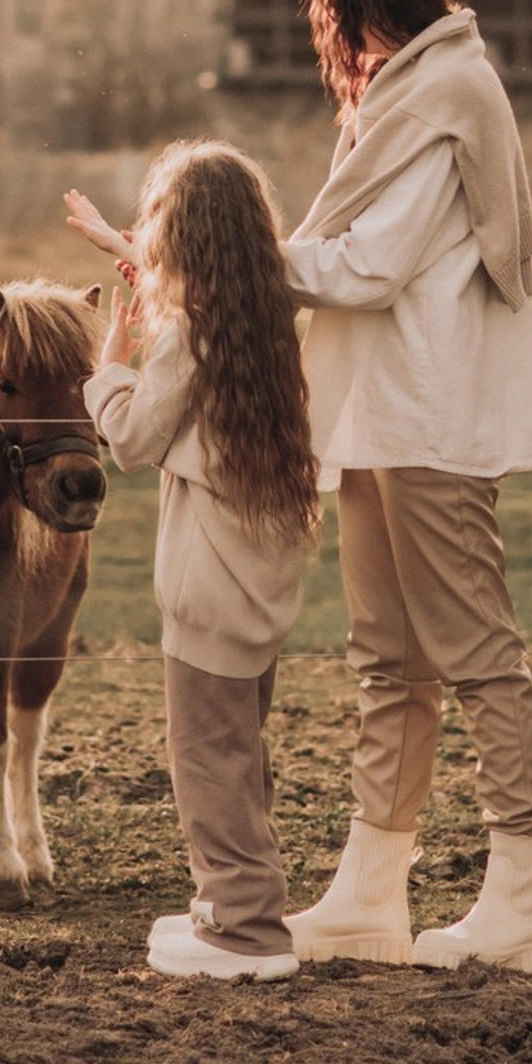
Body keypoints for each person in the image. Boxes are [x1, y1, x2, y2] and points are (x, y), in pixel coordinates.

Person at [277, 0, 532, 973]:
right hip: (381, 406)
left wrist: (243, 258)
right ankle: (368, 891)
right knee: (388, 659)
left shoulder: (444, 92)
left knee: (475, 650)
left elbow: (371, 263)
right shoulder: (410, 89)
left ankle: (517, 902)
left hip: (430, 411)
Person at [69, 142, 317, 983]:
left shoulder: (182, 338)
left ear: (190, 246)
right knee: (241, 754)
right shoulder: (268, 318)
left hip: (207, 591)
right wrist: (120, 244)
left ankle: (247, 932)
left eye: (159, 231)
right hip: (258, 588)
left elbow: (135, 439)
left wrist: (107, 366)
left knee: (206, 762)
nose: (152, 243)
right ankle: (228, 904)